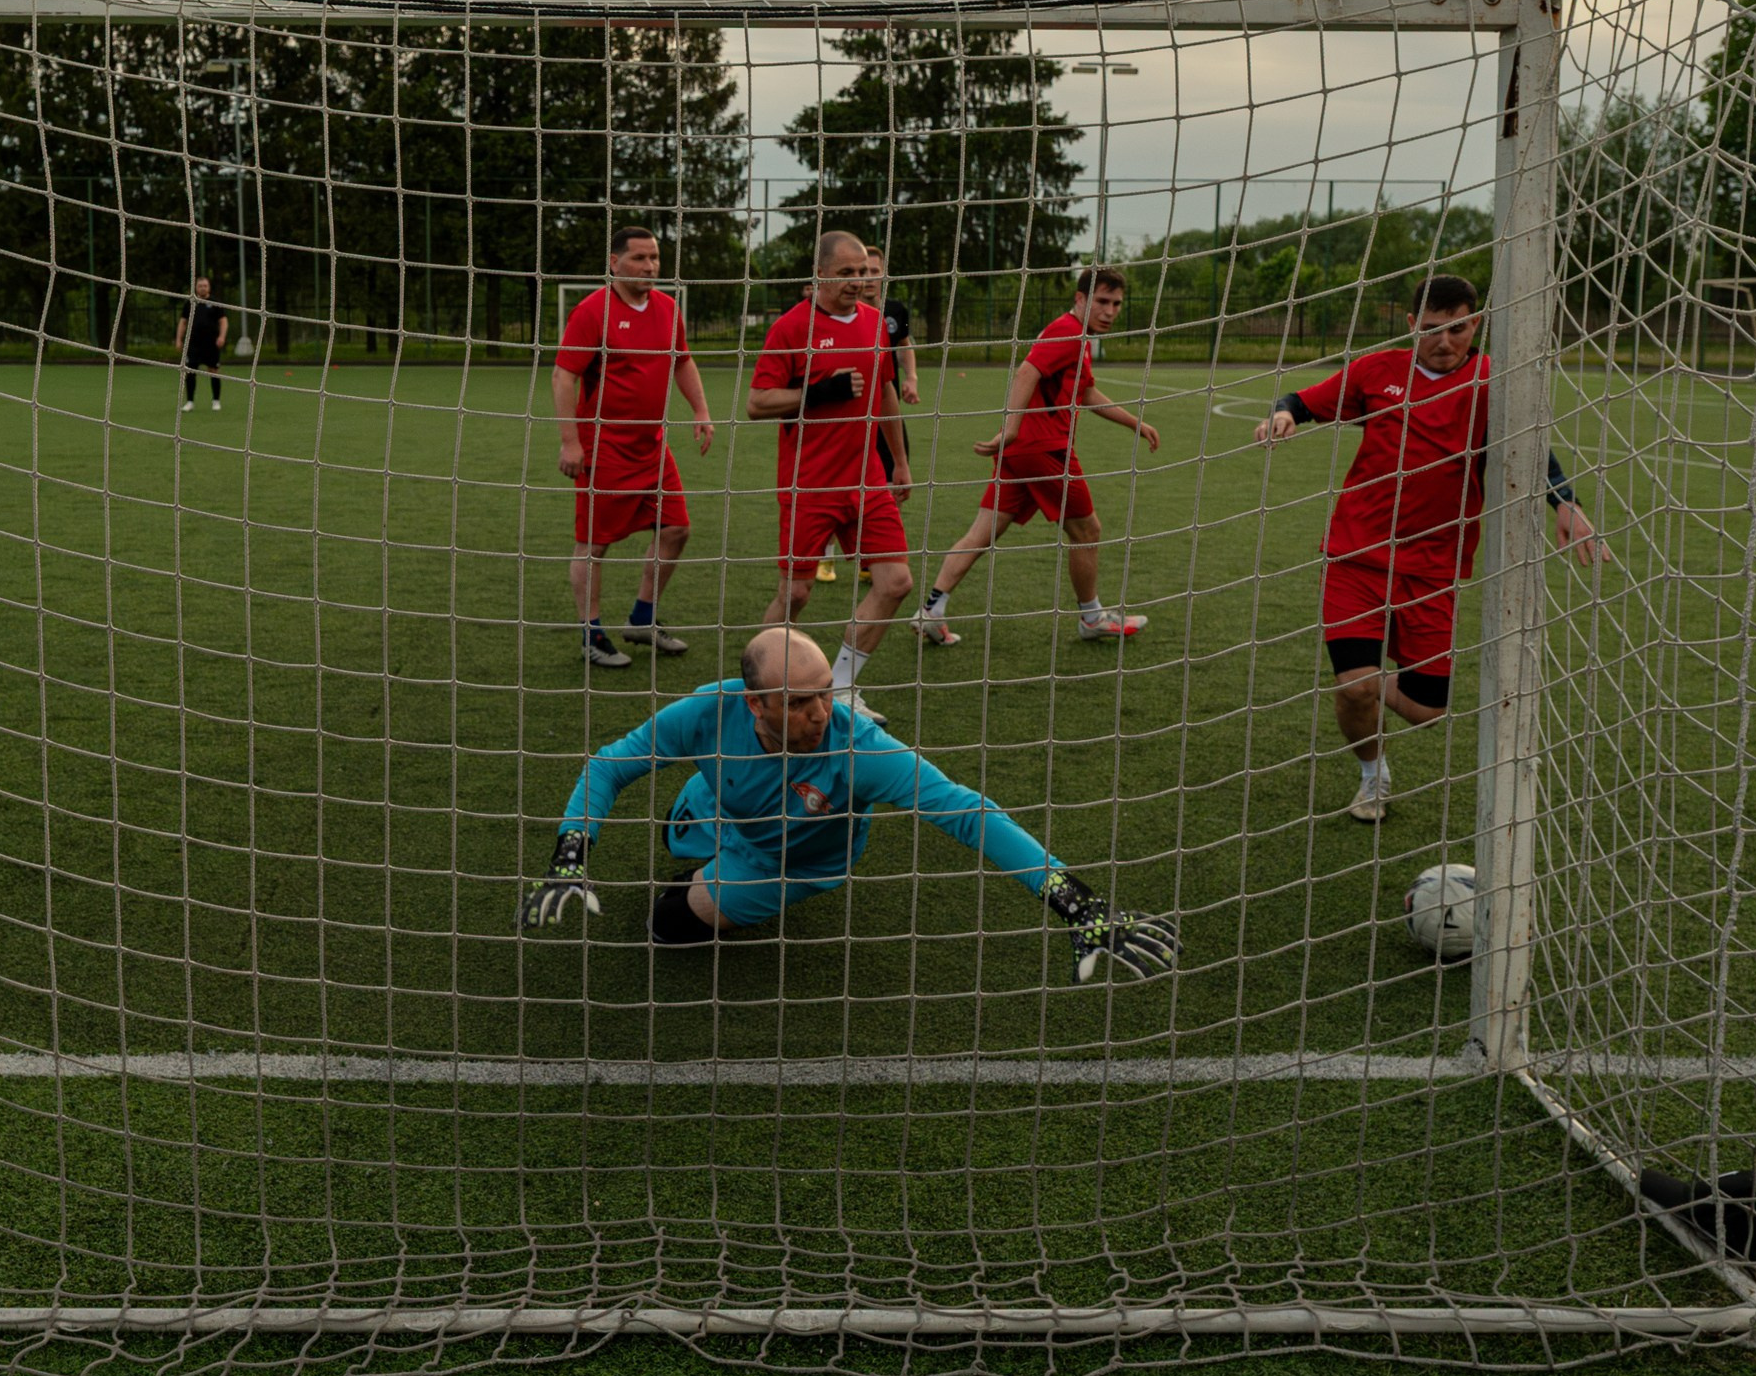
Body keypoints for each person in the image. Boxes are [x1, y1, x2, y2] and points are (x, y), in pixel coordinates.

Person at [516, 625, 1181, 980]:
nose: (820, 710)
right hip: (723, 810)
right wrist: (571, 852)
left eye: (825, 691)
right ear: (756, 704)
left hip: (792, 862)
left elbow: (968, 811)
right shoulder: (709, 711)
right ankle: (704, 851)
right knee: (673, 829)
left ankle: (712, 884)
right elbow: (610, 765)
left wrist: (1075, 900)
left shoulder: (859, 747)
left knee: (667, 925)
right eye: (800, 701)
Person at [1255, 274, 1608, 824]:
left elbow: (1535, 449)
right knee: (1355, 689)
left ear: (1476, 323)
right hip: (1358, 553)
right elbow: (1301, 399)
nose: (1445, 340)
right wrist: (1283, 414)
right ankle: (1373, 776)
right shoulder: (1378, 371)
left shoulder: (1496, 381)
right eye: (1432, 329)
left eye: (1458, 327)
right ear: (1412, 325)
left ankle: (1372, 686)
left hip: (1435, 566)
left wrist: (1565, 503)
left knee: (1426, 709)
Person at [915, 266, 1160, 647]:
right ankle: (1093, 617)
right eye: (1102, 301)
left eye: (1116, 303)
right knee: (1087, 530)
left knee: (984, 530)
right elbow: (1026, 372)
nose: (1110, 311)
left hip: (1023, 451)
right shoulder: (1068, 332)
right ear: (1080, 300)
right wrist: (1011, 427)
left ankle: (932, 610)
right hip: (1043, 449)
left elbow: (1087, 393)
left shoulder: (1074, 335)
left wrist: (1134, 423)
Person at [749, 232, 914, 721]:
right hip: (810, 484)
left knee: (896, 582)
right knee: (796, 594)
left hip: (866, 480)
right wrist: (817, 392)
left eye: (863, 272)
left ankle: (839, 688)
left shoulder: (872, 323)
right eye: (846, 273)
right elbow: (758, 403)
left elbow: (884, 392)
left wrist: (899, 462)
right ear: (819, 274)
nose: (858, 282)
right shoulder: (791, 327)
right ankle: (757, 688)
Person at [551, 226, 716, 668]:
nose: (650, 267)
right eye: (640, 258)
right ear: (614, 262)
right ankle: (592, 635)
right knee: (594, 544)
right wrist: (571, 442)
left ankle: (642, 619)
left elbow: (683, 361)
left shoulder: (666, 307)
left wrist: (701, 411)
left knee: (677, 528)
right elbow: (563, 375)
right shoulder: (593, 312)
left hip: (652, 447)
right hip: (603, 448)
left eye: (655, 258)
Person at [859, 244, 922, 587]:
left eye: (874, 271)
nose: (869, 277)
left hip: (887, 409)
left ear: (884, 273)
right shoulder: (846, 313)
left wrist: (910, 377)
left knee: (894, 478)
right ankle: (827, 554)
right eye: (862, 270)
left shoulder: (894, 310)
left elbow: (905, 345)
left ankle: (876, 555)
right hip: (851, 413)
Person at [177, 276, 228, 412]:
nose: (203, 288)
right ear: (196, 287)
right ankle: (190, 402)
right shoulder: (190, 303)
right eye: (200, 286)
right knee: (190, 371)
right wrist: (179, 339)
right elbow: (183, 322)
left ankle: (216, 401)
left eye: (205, 285)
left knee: (214, 371)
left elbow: (223, 321)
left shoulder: (215, 302)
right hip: (193, 344)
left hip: (211, 344)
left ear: (209, 287)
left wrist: (222, 336)